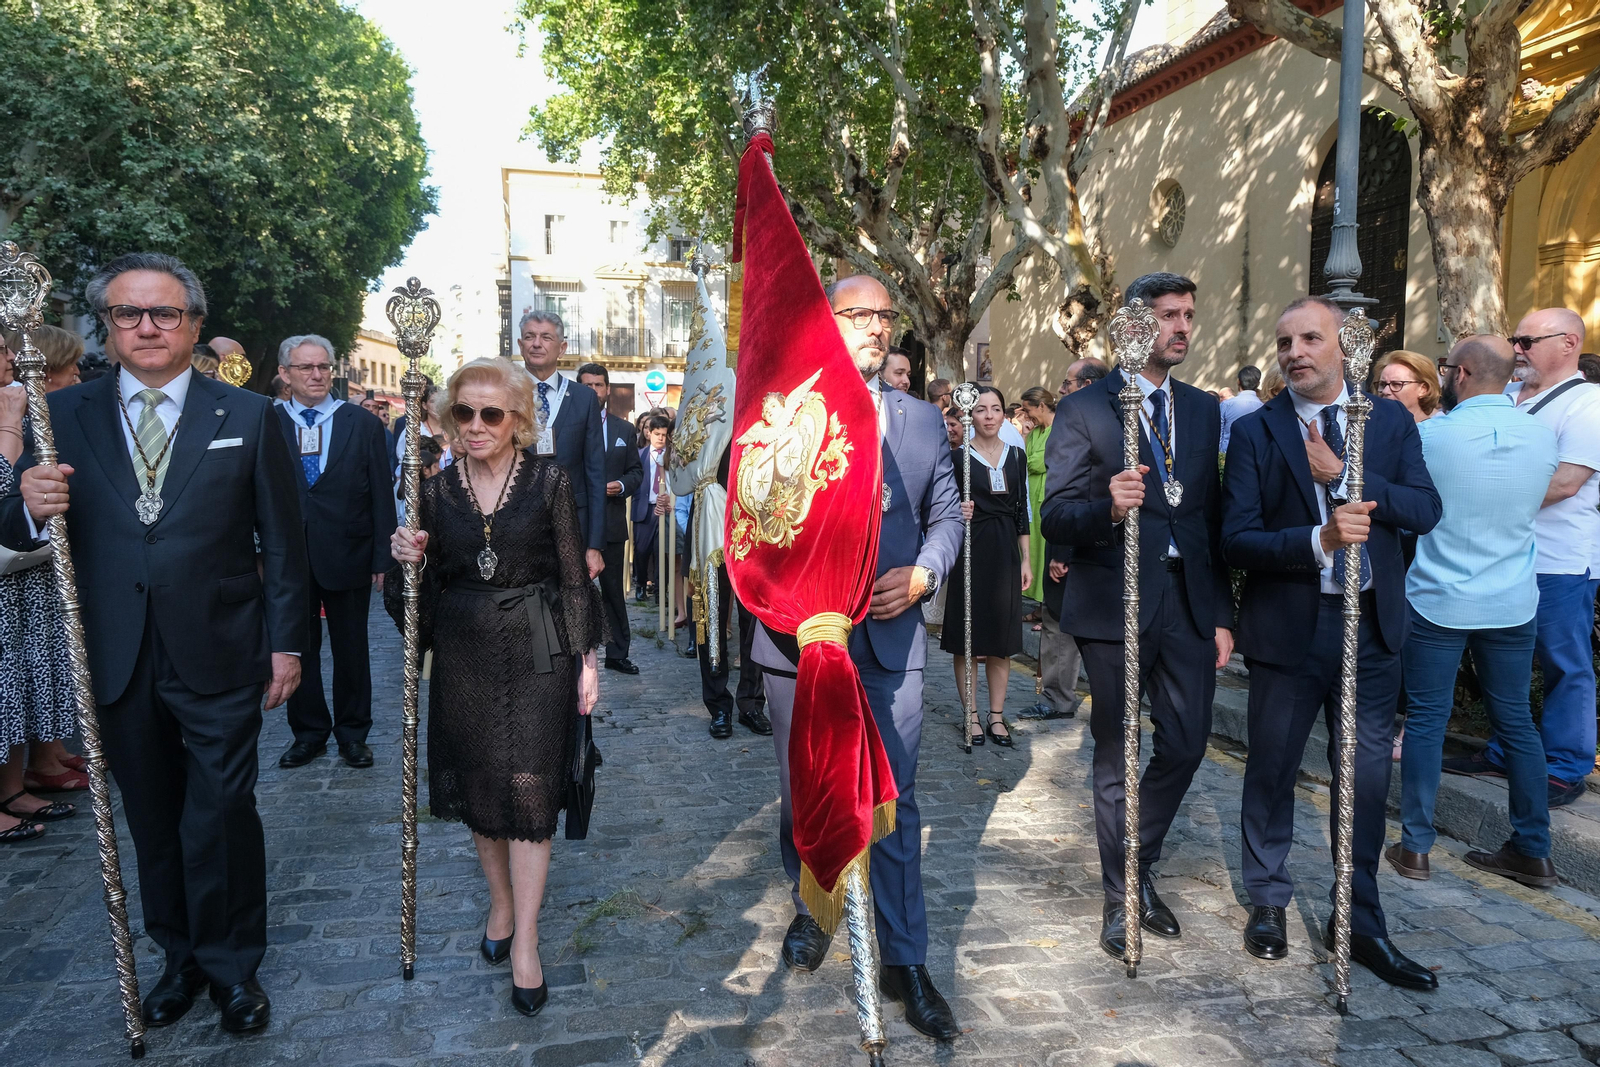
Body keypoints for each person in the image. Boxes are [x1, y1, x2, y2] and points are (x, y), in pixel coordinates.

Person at [0, 251, 309, 1032]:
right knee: (151, 814)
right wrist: (29, 502)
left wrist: (288, 644)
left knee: (222, 810)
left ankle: (233, 967)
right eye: (127, 313)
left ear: (194, 326)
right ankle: (179, 958)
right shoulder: (59, 414)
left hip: (222, 645)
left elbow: (284, 540)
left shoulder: (249, 416)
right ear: (107, 326)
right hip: (116, 649)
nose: (146, 326)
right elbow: (16, 526)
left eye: (164, 312)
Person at [752, 274, 962, 1040]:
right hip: (800, 644)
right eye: (859, 314)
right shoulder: (782, 410)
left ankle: (906, 959)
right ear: (828, 319)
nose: (876, 326)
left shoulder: (922, 421)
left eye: (885, 315)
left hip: (889, 642)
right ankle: (814, 907)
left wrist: (925, 573)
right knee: (804, 789)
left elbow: (946, 515)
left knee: (895, 800)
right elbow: (754, 519)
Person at [1221, 294, 1441, 989]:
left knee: (1365, 780)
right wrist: (1317, 539)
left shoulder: (1388, 421)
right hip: (1292, 628)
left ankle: (1361, 921)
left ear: (1343, 346)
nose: (1295, 353)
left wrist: (1345, 476)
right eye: (1284, 342)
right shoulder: (1257, 431)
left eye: (1310, 338)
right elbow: (1237, 539)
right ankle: (1268, 899)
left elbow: (1425, 509)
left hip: (1371, 628)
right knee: (1273, 769)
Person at [386, 356, 603, 1019]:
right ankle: (501, 902)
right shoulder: (432, 494)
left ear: (518, 420)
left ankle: (526, 939)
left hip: (539, 639)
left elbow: (572, 576)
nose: (475, 424)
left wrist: (587, 657)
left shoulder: (549, 480)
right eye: (464, 411)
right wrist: (406, 564)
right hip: (464, 650)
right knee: (482, 785)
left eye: (490, 413)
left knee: (531, 787)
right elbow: (411, 609)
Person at [1043, 271, 1235, 962]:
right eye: (1168, 315)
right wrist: (1108, 507)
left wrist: (1221, 613)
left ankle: (1138, 855)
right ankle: (1121, 894)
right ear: (1132, 324)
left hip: (1187, 602)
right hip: (1112, 601)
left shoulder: (1202, 409)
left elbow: (1208, 518)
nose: (1181, 327)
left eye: (1189, 314)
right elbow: (1055, 513)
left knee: (1186, 742)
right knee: (1116, 750)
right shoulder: (1084, 409)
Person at [1392, 336, 1559, 888]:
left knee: (1426, 719)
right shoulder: (1541, 433)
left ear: (1459, 373)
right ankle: (1533, 850)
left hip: (1440, 595)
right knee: (1517, 722)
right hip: (1512, 597)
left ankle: (1415, 847)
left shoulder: (1431, 435)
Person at [1444, 308, 1600, 808]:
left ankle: (1565, 765)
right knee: (1501, 662)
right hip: (1502, 555)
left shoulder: (1588, 404)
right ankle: (1505, 750)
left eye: (1528, 341)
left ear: (1569, 343)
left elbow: (1568, 482)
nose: (1517, 349)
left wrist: (1478, 500)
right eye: (1515, 340)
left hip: (1558, 559)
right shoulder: (1507, 395)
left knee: (1563, 663)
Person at [273, 334, 397, 772]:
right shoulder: (268, 422)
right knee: (297, 646)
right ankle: (308, 733)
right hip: (287, 556)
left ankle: (353, 733)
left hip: (349, 551)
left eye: (323, 366)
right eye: (305, 367)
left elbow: (381, 491)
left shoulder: (360, 423)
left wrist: (383, 556)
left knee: (351, 648)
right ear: (285, 374)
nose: (316, 374)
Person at [0, 332, 78, 842]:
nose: (11, 356)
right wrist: (10, 426)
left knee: (17, 685)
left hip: (21, 579)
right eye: (1, 350)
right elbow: (4, 493)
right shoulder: (10, 414)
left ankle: (11, 789)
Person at [942, 385, 1030, 748]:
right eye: (981, 409)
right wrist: (957, 511)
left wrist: (1026, 558)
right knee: (968, 637)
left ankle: (996, 714)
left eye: (996, 409)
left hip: (1005, 548)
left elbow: (1021, 508)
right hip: (970, 547)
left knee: (1000, 640)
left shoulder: (1016, 455)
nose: (989, 415)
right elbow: (942, 506)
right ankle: (971, 714)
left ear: (1004, 415)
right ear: (969, 415)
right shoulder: (957, 458)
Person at [517, 312, 606, 579]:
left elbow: (595, 473)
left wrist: (595, 545)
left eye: (546, 337)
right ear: (520, 345)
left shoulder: (584, 398)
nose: (537, 343)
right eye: (530, 337)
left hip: (573, 524)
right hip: (516, 523)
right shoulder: (506, 394)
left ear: (562, 347)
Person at [576, 363, 644, 674]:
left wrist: (621, 485)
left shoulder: (624, 430)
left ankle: (617, 653)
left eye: (598, 385)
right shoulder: (567, 427)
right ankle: (574, 652)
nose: (592, 391)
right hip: (575, 522)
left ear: (607, 389)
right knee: (574, 589)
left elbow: (636, 472)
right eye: (586, 385)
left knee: (614, 591)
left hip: (613, 522)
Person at [1019, 387, 1055, 606]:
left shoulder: (1059, 428)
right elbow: (1021, 459)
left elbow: (1037, 462)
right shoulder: (1034, 432)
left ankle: (1046, 604)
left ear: (1041, 406)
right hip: (1030, 495)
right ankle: (1038, 604)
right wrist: (1024, 435)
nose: (1025, 415)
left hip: (1047, 496)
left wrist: (1028, 459)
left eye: (1027, 409)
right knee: (1031, 548)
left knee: (1044, 550)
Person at [631, 414, 672, 601]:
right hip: (645, 508)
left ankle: (660, 590)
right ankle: (640, 583)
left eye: (664, 435)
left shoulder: (672, 456)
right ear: (649, 433)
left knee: (662, 551)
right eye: (657, 434)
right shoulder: (640, 455)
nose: (660, 438)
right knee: (642, 549)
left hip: (666, 508)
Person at [1372, 350, 1440, 420]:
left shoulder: (1437, 426)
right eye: (1382, 384)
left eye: (1396, 384)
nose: (1385, 391)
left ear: (1423, 389)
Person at [1218, 365, 1262, 452]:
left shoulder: (1226, 405)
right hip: (1253, 454)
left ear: (1238, 381)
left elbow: (1218, 432)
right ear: (1258, 384)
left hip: (1226, 454)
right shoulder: (1262, 407)